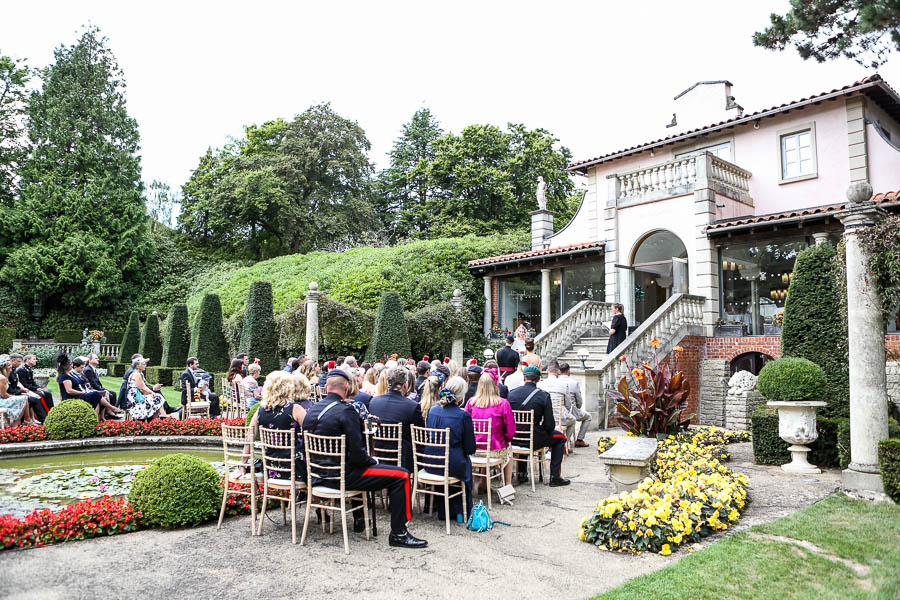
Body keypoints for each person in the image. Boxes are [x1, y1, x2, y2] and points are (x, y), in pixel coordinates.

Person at [303, 369, 427, 548]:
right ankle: (399, 532)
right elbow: (358, 455)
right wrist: (373, 461)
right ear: (346, 386)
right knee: (402, 475)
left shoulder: (312, 411)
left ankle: (362, 518)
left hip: (318, 476)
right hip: (344, 477)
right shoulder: (347, 412)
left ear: (325, 387)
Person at [240, 370, 308, 481]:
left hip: (270, 468)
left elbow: (249, 440)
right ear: (288, 388)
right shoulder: (296, 409)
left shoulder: (260, 411)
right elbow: (311, 434)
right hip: (296, 469)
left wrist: (242, 466)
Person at [507, 366, 569, 487]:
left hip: (513, 438)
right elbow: (549, 424)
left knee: (528, 433)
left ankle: (522, 473)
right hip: (533, 438)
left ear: (524, 378)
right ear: (539, 379)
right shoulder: (543, 396)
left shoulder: (511, 394)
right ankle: (555, 476)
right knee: (561, 438)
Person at [424, 385, 476, 521]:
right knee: (465, 463)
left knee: (458, 460)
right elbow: (470, 448)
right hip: (450, 465)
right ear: (460, 397)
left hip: (430, 461)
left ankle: (448, 509)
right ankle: (460, 510)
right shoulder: (463, 415)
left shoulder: (432, 410)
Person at [464, 371, 516, 488]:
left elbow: (465, 425)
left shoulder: (471, 402)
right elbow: (510, 431)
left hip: (474, 449)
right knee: (509, 451)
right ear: (495, 385)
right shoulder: (503, 403)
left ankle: (483, 482)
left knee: (485, 443)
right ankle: (507, 485)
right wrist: (506, 439)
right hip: (494, 449)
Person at [369, 366, 424, 474]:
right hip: (403, 460)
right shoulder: (412, 406)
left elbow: (370, 429)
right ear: (405, 384)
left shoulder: (373, 402)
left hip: (377, 455)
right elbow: (420, 437)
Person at [58, 355, 122, 420]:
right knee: (96, 394)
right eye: (70, 364)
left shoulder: (69, 374)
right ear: (66, 366)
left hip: (78, 395)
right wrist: (82, 392)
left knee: (97, 399)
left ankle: (97, 420)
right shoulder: (65, 376)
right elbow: (69, 391)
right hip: (72, 397)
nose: (72, 365)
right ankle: (111, 408)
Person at [559, 363, 592, 448]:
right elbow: (579, 401)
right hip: (571, 411)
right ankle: (579, 440)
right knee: (588, 417)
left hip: (556, 412)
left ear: (559, 371)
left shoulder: (556, 382)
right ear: (568, 371)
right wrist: (578, 408)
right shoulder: (574, 383)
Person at [8, 354, 49, 422]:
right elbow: (10, 388)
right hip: (12, 393)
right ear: (12, 361)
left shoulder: (14, 370)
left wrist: (35, 388)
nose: (20, 363)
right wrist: (21, 391)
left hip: (18, 391)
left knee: (45, 394)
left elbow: (19, 382)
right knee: (35, 398)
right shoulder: (17, 370)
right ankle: (41, 419)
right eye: (18, 361)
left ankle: (47, 414)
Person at [539, 363, 575, 439]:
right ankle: (565, 440)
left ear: (547, 371)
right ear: (558, 371)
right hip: (560, 417)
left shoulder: (540, 384)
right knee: (573, 420)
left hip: (544, 418)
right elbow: (568, 404)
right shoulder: (564, 384)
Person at [0, 354, 38, 426]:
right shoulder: (2, 378)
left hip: (3, 398)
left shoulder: (4, 376)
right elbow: (4, 395)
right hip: (1, 401)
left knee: (24, 398)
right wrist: (14, 395)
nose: (10, 366)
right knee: (24, 398)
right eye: (8, 365)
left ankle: (26, 420)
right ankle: (19, 423)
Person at [16, 354, 54, 418]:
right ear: (28, 360)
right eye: (34, 359)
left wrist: (38, 388)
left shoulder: (29, 370)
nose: (35, 360)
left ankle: (52, 412)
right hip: (25, 390)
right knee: (40, 395)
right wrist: (36, 389)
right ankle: (43, 417)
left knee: (48, 394)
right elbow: (24, 384)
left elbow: (33, 383)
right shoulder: (21, 370)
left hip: (31, 389)